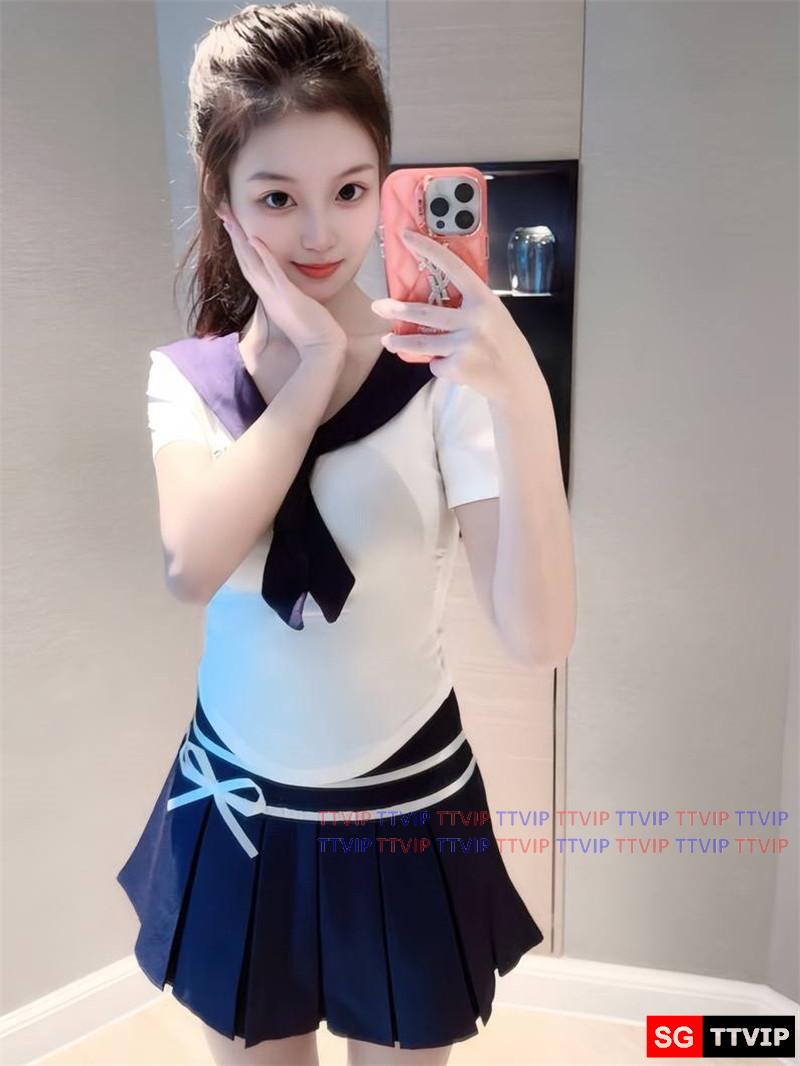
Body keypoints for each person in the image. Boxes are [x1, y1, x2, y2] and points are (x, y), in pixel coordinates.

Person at [117, 3, 576, 1064]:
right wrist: (316, 365)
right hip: (239, 801)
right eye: (277, 196)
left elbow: (537, 636)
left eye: (350, 191)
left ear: (383, 186)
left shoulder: (443, 378)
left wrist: (521, 395)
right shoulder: (187, 382)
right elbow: (193, 565)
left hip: (408, 799)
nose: (320, 235)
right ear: (222, 197)